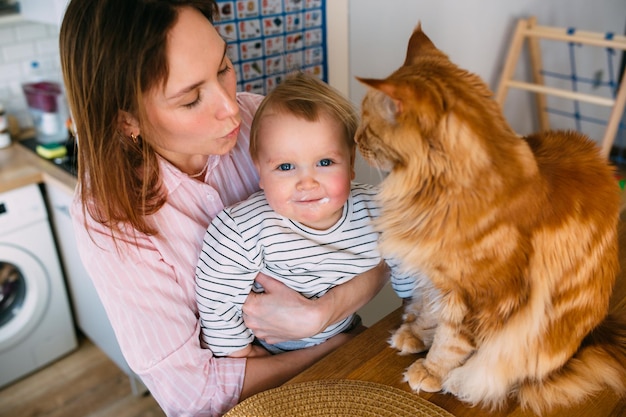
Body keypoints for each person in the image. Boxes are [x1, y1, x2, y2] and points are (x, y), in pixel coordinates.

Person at [59, 1, 389, 416]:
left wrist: (324, 313)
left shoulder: (260, 121)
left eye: (223, 67)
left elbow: (371, 237)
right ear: (127, 121)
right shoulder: (109, 218)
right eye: (191, 99)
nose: (231, 106)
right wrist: (333, 343)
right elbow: (192, 394)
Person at [195, 73, 416, 358]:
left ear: (350, 163)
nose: (306, 183)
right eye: (286, 167)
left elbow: (414, 278)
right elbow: (216, 302)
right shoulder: (242, 230)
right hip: (271, 353)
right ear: (260, 170)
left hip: (347, 336)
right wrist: (243, 355)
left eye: (324, 162)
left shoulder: (381, 212)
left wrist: (415, 319)